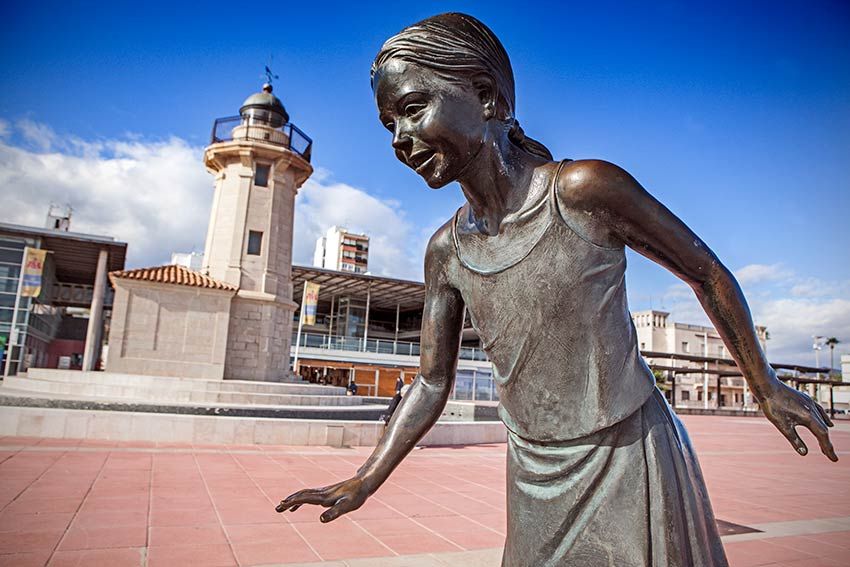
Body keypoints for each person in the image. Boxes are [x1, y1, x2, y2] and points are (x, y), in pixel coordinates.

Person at [278, 13, 837, 566]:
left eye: (412, 109)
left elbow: (706, 272)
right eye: (388, 125)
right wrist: (367, 478)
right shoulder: (445, 251)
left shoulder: (582, 190)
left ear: (485, 95)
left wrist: (764, 384)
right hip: (533, 470)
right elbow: (431, 380)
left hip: (627, 454)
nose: (400, 138)